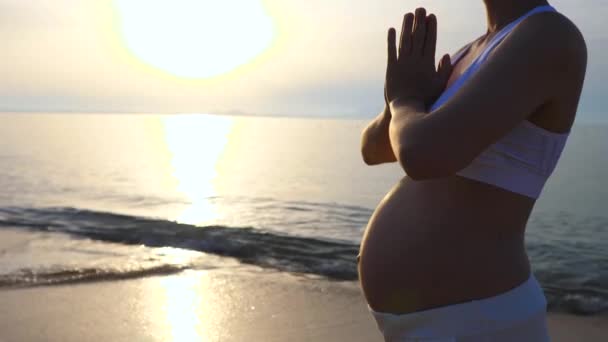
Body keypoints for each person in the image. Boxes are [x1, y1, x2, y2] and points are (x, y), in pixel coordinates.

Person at [357, 1, 587, 341]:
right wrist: (406, 99)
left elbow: (423, 154)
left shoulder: (549, 36)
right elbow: (373, 149)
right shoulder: (473, 50)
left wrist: (404, 99)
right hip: (435, 322)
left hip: (478, 323)